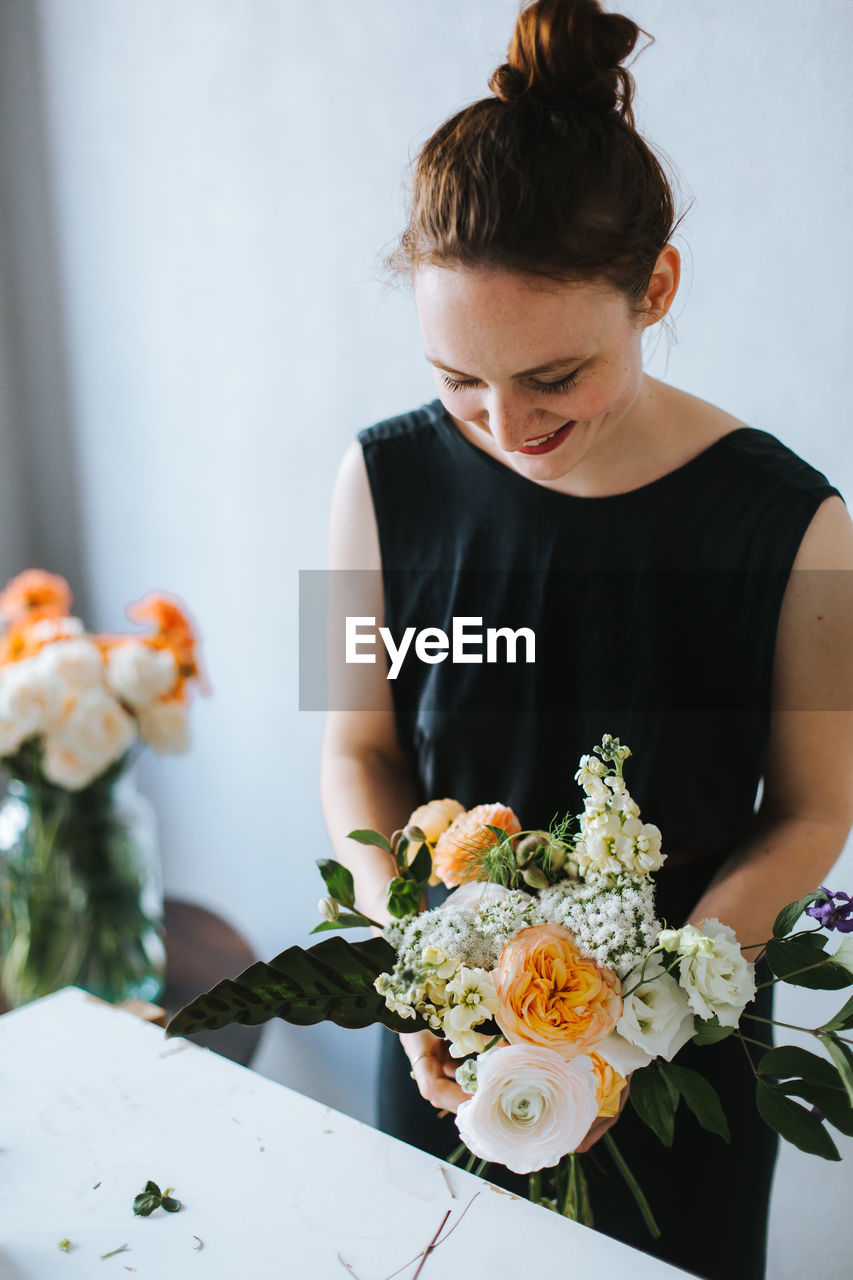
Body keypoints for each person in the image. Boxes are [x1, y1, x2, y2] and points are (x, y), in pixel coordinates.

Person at [320, 2, 853, 1276]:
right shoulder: (372, 480)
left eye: (551, 377)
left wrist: (659, 993)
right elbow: (352, 743)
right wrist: (416, 962)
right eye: (458, 380)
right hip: (449, 1056)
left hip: (682, 1082)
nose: (503, 423)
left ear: (653, 288)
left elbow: (815, 808)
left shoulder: (801, 526)